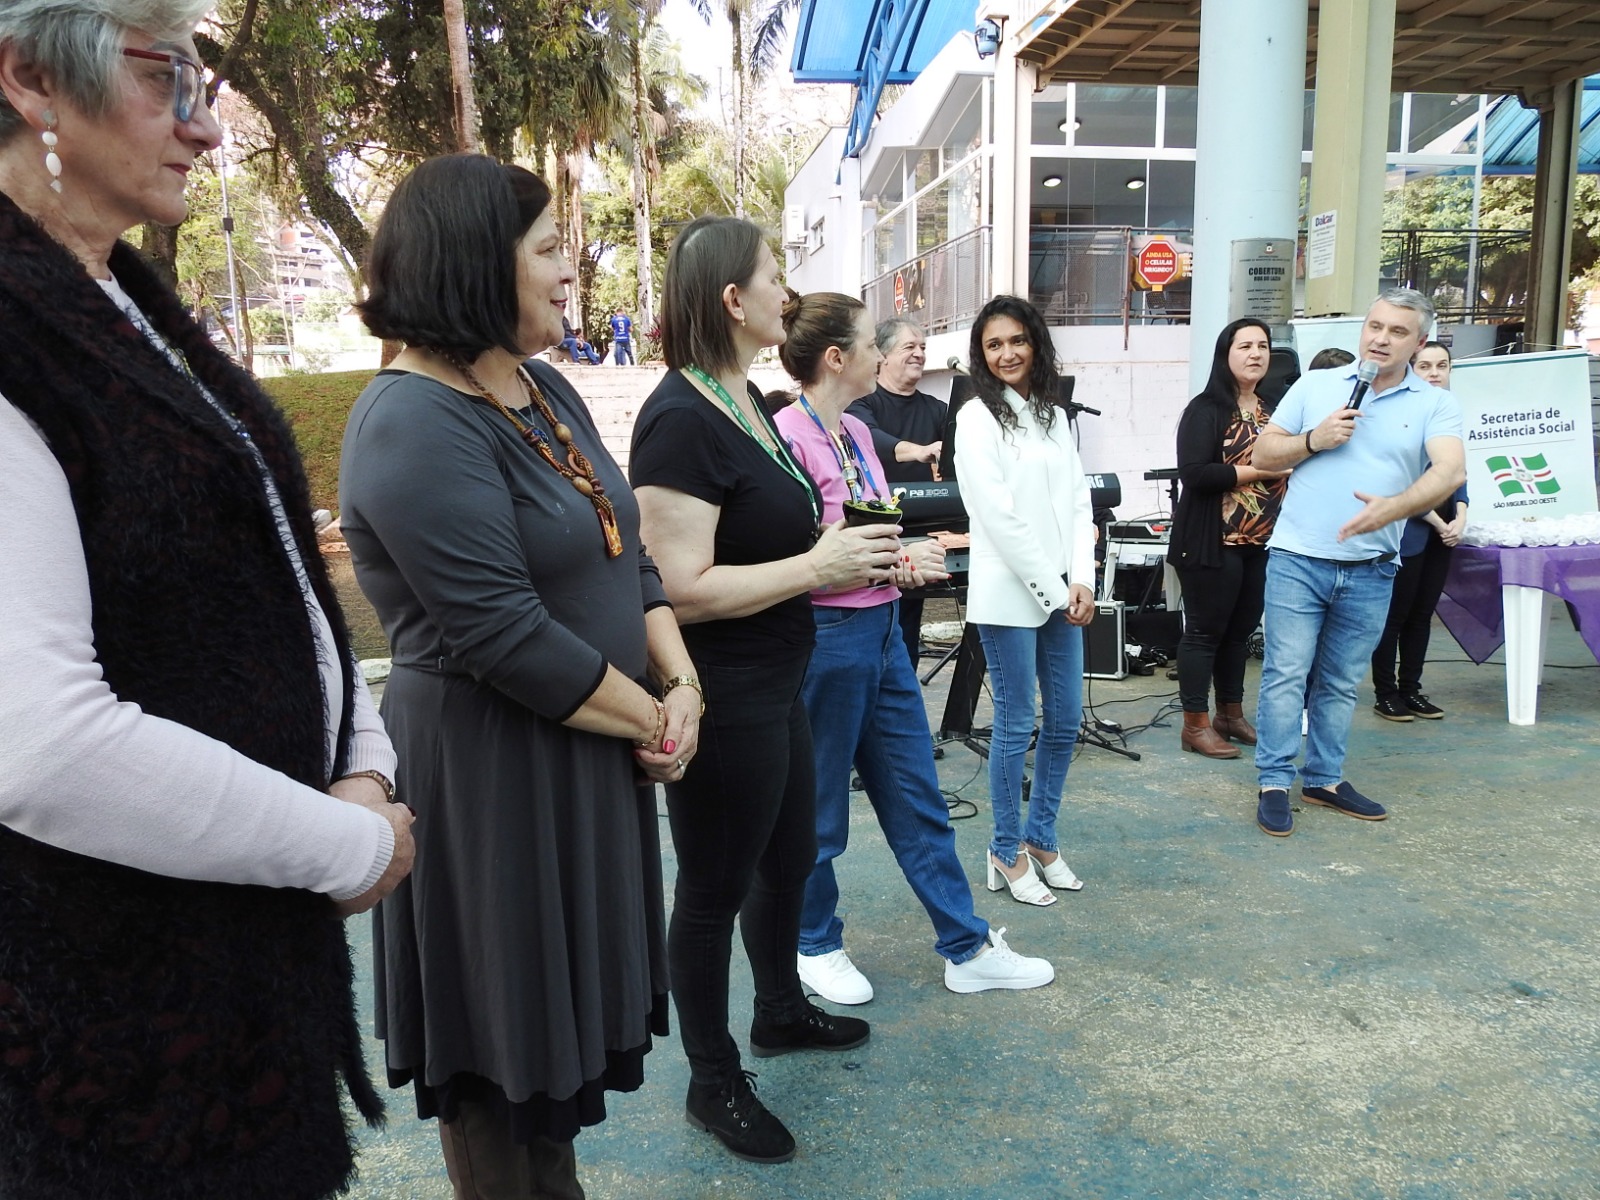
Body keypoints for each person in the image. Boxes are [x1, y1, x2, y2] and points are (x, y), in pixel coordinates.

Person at [0, 5, 416, 1196]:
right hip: (107, 1054)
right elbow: (39, 742)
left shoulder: (115, 303)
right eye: (169, 78)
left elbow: (286, 583)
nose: (208, 126)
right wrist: (345, 842)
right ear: (31, 79)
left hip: (233, 1006)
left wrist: (362, 762)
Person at [341, 155, 698, 1200]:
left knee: (554, 1041)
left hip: (585, 745)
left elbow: (625, 551)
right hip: (492, 773)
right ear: (473, 264)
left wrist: (682, 686)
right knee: (500, 1046)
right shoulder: (410, 418)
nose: (568, 271)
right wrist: (653, 721)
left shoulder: (540, 386)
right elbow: (503, 634)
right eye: (546, 249)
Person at [630, 217, 900, 1165]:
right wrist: (821, 566)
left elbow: (776, 537)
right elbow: (677, 588)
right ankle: (712, 1080)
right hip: (724, 689)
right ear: (732, 299)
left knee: (786, 862)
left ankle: (780, 1010)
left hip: (779, 678)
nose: (789, 293)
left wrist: (852, 556)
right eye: (774, 277)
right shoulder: (679, 418)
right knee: (712, 888)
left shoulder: (745, 398)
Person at [771, 291, 1054, 1006]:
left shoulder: (855, 433)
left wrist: (903, 561)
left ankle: (966, 946)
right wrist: (890, 561)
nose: (886, 354)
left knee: (918, 796)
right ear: (837, 357)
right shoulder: (785, 437)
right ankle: (814, 943)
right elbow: (796, 554)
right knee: (820, 808)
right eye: (874, 343)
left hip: (883, 631)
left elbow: (868, 532)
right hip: (827, 639)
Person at [1249, 290, 1465, 837]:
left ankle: (1324, 778)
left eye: (1397, 332)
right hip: (1298, 559)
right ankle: (1274, 782)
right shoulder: (1316, 385)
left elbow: (1450, 472)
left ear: (1419, 343)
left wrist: (1397, 507)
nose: (1381, 339)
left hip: (1372, 565)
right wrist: (1313, 440)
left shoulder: (1434, 403)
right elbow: (1263, 454)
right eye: (1375, 326)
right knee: (1285, 676)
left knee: (1342, 681)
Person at [954, 295, 1096, 907]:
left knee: (1065, 719)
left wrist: (1083, 578)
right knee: (1016, 722)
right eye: (994, 345)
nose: (1007, 353)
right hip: (1009, 593)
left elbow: (1079, 502)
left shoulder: (1054, 415)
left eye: (1017, 340)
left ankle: (1042, 838)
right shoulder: (975, 418)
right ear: (981, 355)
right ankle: (1005, 849)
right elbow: (998, 517)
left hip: (1064, 590)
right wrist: (1057, 590)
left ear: (1036, 343)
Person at [1169, 319, 1292, 759]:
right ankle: (1195, 725)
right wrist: (1261, 471)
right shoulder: (1205, 409)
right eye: (1245, 346)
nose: (1256, 353)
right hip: (1212, 540)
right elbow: (1195, 474)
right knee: (1204, 633)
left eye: (1263, 346)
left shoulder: (1273, 409)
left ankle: (1230, 715)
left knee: (1239, 634)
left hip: (1261, 540)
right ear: (1225, 354)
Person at [1371, 340, 1469, 722]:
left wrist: (1460, 515)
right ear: (1412, 369)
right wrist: (1440, 522)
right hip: (1408, 531)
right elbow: (1398, 482)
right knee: (1394, 617)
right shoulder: (1402, 414)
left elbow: (1458, 474)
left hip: (1441, 534)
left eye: (1442, 365)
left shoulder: (1449, 413)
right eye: (1425, 366)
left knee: (1422, 615)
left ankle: (1411, 690)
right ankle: (1385, 694)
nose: (1434, 373)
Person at [847, 316, 946, 666]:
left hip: (921, 531)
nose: (919, 354)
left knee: (907, 633)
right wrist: (919, 451)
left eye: (923, 347)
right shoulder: (862, 404)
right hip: (876, 532)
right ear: (883, 356)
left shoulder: (936, 409)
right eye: (909, 347)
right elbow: (869, 439)